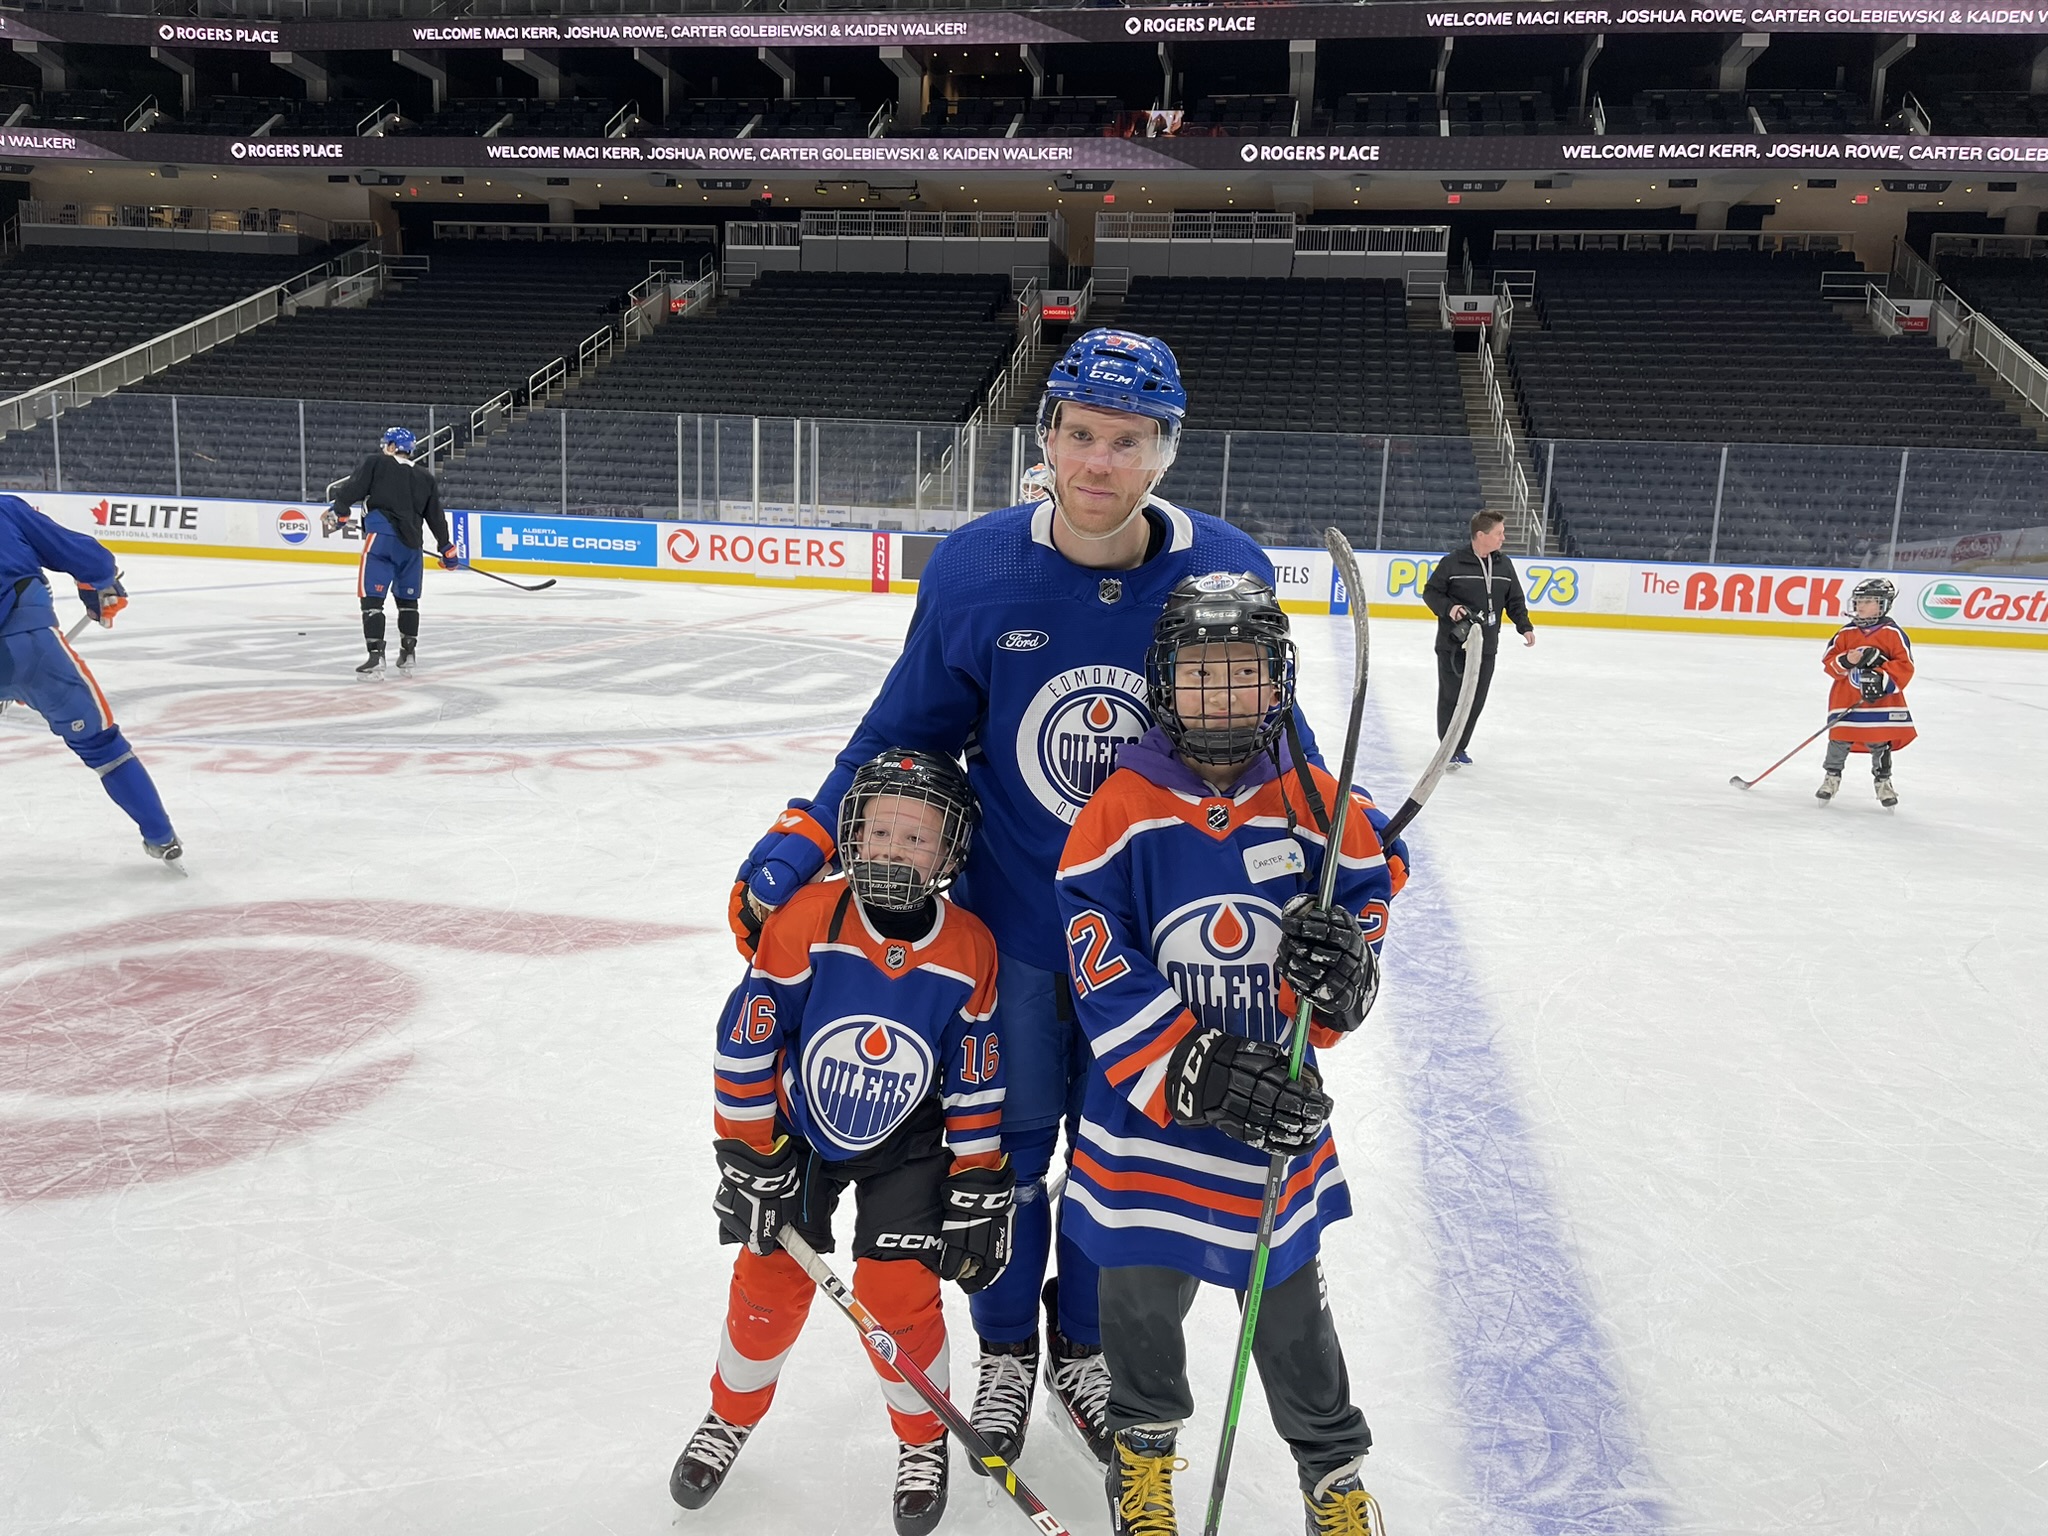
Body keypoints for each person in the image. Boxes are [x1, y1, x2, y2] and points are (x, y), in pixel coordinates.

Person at [722, 330, 1322, 1469]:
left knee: (1119, 1152)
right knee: (1002, 1148)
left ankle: (1081, 1351)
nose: (1099, 463)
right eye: (1080, 435)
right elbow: (904, 731)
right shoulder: (977, 568)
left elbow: (1273, 750)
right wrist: (806, 834)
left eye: (1127, 442)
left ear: (1165, 452)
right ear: (1044, 438)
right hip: (1012, 928)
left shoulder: (1221, 568)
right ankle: (1006, 1353)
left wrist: (1326, 884)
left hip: (1152, 942)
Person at [1053, 573, 1404, 1535]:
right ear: (1165, 682)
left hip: (1275, 1114)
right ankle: (1142, 1459)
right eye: (1200, 675)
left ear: (1277, 681)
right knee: (1136, 1307)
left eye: (1242, 673)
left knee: (1291, 1319)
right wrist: (1193, 1067)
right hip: (1144, 1124)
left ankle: (1332, 1476)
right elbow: (1096, 957)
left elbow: (1369, 888)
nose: (1221, 696)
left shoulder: (1313, 798)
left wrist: (1346, 966)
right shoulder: (1121, 805)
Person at [675, 750, 1012, 1536]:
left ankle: (922, 1439)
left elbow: (975, 1074)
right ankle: (729, 1417)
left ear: (950, 852)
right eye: (880, 833)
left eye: (917, 838)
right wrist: (750, 1154)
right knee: (768, 1278)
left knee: (897, 1293)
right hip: (800, 1134)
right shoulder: (805, 920)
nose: (894, 850)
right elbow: (747, 1042)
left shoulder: (970, 947)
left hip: (909, 1141)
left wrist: (976, 1174)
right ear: (851, 836)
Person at [0, 492, 182, 865]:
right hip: (32, 646)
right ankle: (161, 837)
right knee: (102, 746)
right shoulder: (5, 508)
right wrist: (97, 588)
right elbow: (88, 558)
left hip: (25, 643)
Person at [326, 427, 458, 677]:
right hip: (412, 547)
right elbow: (436, 516)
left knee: (372, 599)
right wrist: (446, 547)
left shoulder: (376, 463)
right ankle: (408, 655)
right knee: (408, 600)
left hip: (381, 540)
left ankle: (376, 656)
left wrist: (340, 510)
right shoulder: (425, 477)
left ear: (392, 446)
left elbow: (354, 488)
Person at [1420, 509, 1535, 768]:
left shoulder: (1504, 565)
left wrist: (1524, 626)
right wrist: (1450, 608)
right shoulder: (1453, 563)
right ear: (1481, 535)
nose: (1503, 538)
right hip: (1453, 645)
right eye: (1499, 533)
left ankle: (1460, 746)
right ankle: (1447, 748)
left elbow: (1515, 600)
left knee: (1476, 698)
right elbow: (1431, 593)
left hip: (1486, 645)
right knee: (1452, 697)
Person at [1818, 576, 1914, 808]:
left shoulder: (1892, 633)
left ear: (1882, 605)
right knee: (1839, 738)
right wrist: (1846, 660)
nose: (1860, 606)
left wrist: (1881, 678)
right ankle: (1831, 778)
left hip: (1880, 703)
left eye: (1868, 601)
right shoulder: (1845, 633)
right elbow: (1829, 662)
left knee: (1879, 740)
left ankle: (1883, 783)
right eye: (1859, 601)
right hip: (1846, 698)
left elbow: (1905, 666)